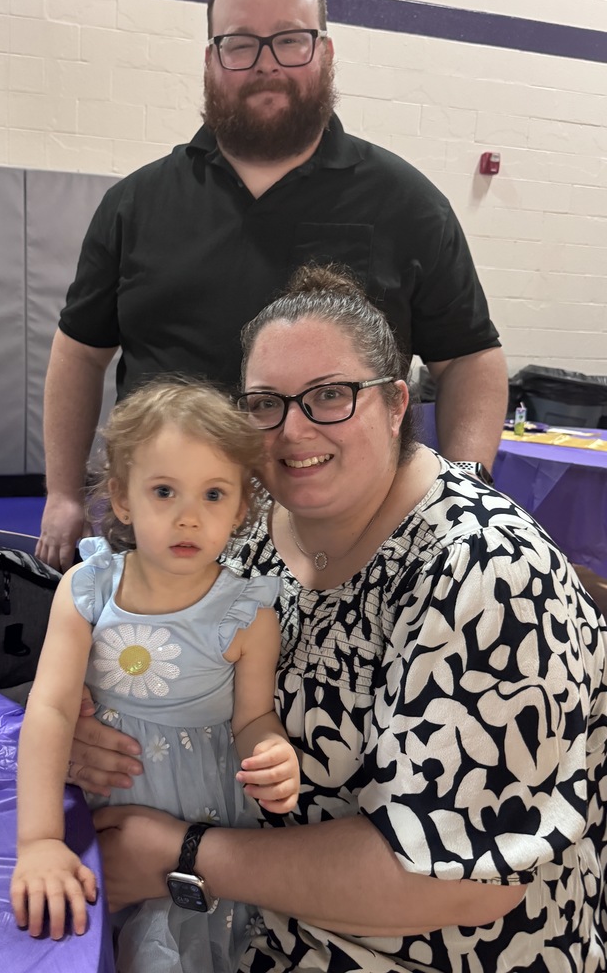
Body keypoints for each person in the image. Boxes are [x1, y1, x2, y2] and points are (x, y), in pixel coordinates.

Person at [66, 264, 607, 972]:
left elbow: (457, 884)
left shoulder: (485, 573)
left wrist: (181, 856)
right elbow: (148, 633)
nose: (292, 430)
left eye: (330, 396)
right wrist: (93, 716)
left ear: (395, 405)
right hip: (239, 924)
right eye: (264, 403)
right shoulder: (249, 527)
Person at [37, 0, 508, 572]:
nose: (266, 65)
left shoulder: (408, 204)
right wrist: (63, 492)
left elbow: (471, 359)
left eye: (290, 41)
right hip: (169, 543)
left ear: (326, 53)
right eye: (240, 44)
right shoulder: (135, 205)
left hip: (349, 553)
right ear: (211, 59)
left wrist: (463, 496)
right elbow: (78, 353)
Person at [11, 379, 300, 972]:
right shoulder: (87, 590)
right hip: (105, 802)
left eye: (214, 495)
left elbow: (252, 716)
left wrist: (271, 752)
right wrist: (37, 840)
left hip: (203, 811)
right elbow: (51, 710)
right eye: (164, 491)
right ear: (122, 499)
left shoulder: (249, 612)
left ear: (242, 509)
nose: (189, 517)